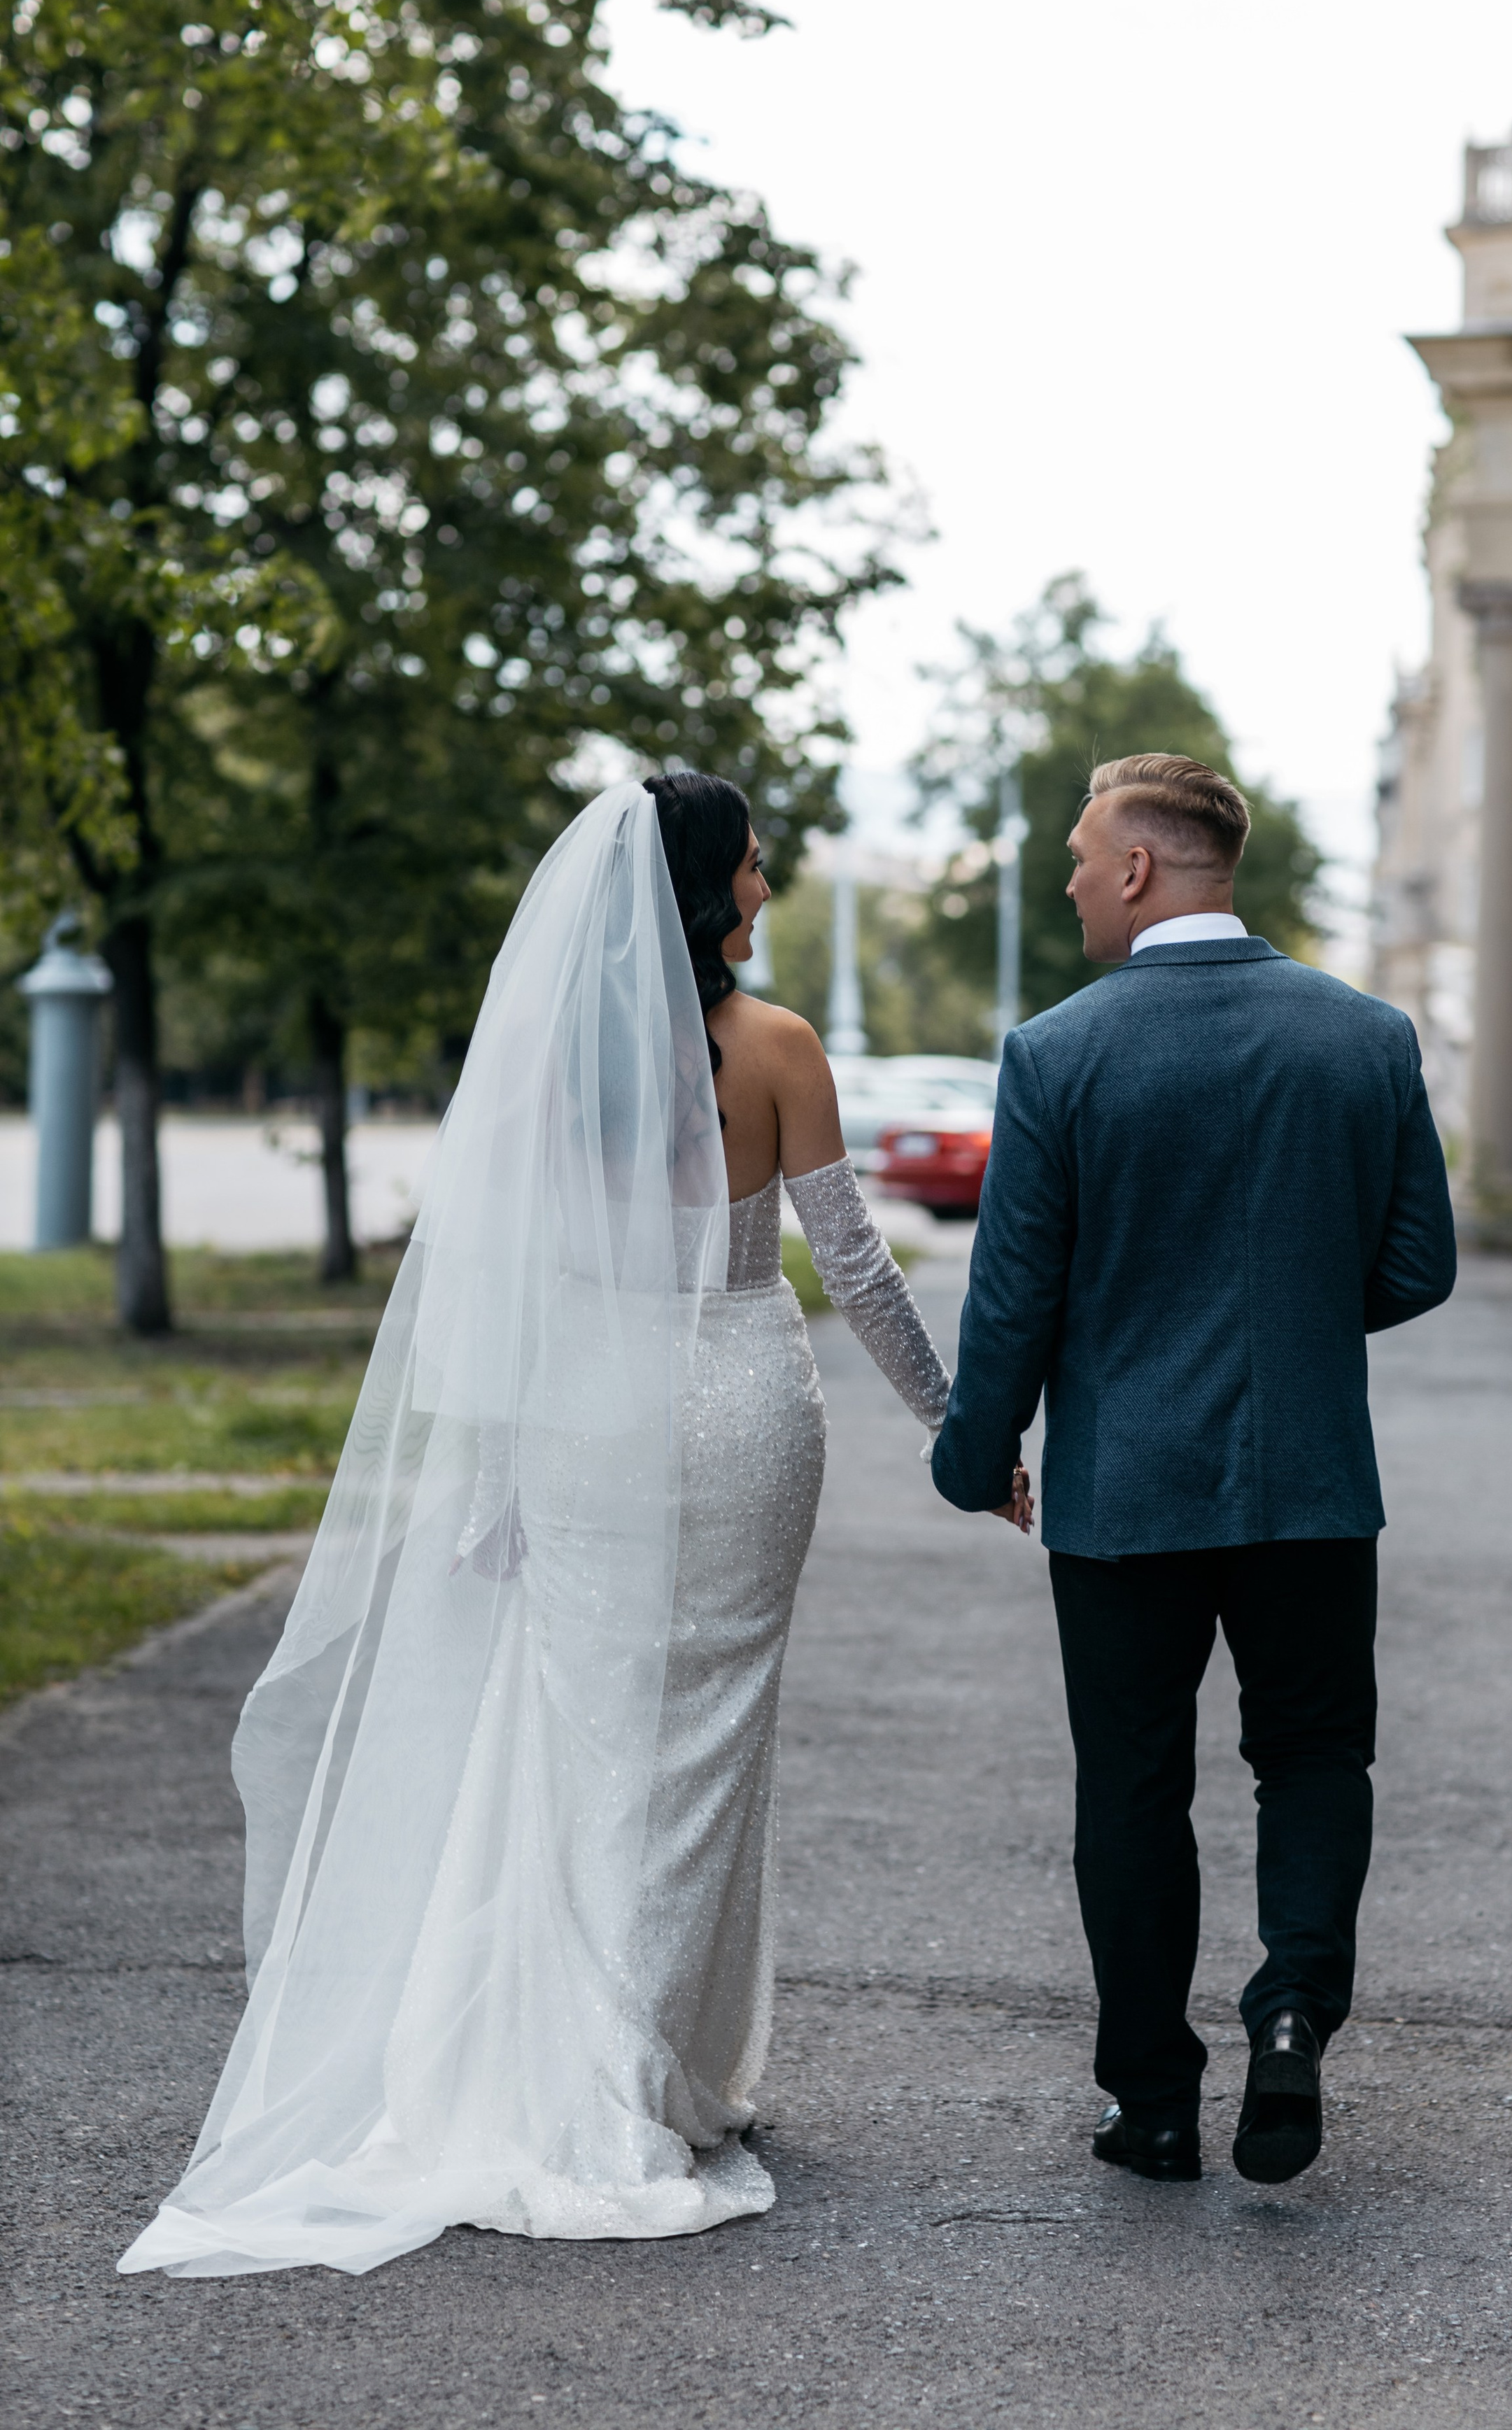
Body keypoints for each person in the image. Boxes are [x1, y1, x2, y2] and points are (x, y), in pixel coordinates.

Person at [122, 775, 952, 2277]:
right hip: (733, 1408)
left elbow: (501, 1282)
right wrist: (957, 1426)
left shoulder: (554, 1063)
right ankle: (642, 2081)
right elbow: (859, 1270)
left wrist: (496, 1475)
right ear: (706, 895)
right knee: (710, 1739)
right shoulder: (776, 1050)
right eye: (756, 872)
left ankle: (628, 2065)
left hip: (580, 1411)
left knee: (583, 1735)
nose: (767, 896)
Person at [931, 751, 1456, 2187]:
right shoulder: (1363, 1037)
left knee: (1131, 1786)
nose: (1066, 880)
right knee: (1310, 1758)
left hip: (1122, 1493)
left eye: (1078, 855)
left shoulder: (1058, 1052)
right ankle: (1291, 2011)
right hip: (1307, 1485)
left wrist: (974, 1456)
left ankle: (1153, 2102)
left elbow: (1015, 1297)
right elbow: (1418, 1264)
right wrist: (1280, 1315)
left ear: (1139, 869)